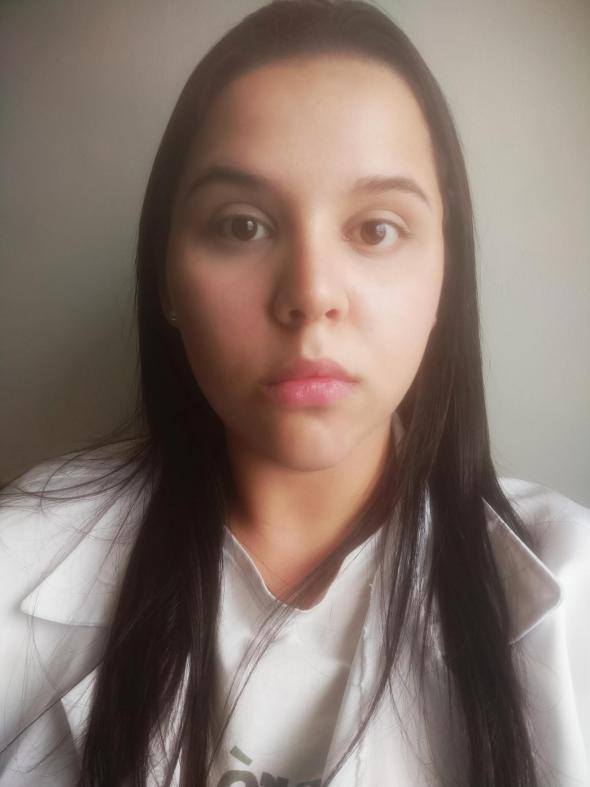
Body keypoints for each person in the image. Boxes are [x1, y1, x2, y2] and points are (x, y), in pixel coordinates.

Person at [0, 1, 588, 785]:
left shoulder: (573, 592)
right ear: (165, 279)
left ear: (444, 278)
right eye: (242, 226)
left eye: (376, 229)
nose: (311, 295)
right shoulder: (16, 558)